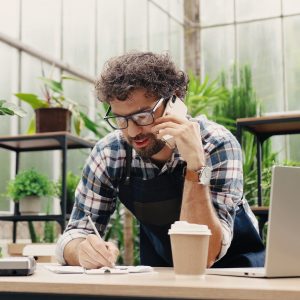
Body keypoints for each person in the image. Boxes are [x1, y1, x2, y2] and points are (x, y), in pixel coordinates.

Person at [56, 51, 265, 269]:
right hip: (163, 272)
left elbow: (203, 256)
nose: (134, 131)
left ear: (173, 100)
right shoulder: (111, 153)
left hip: (236, 273)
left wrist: (196, 167)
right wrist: (82, 251)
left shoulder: (216, 144)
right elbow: (76, 232)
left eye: (143, 116)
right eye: (121, 119)